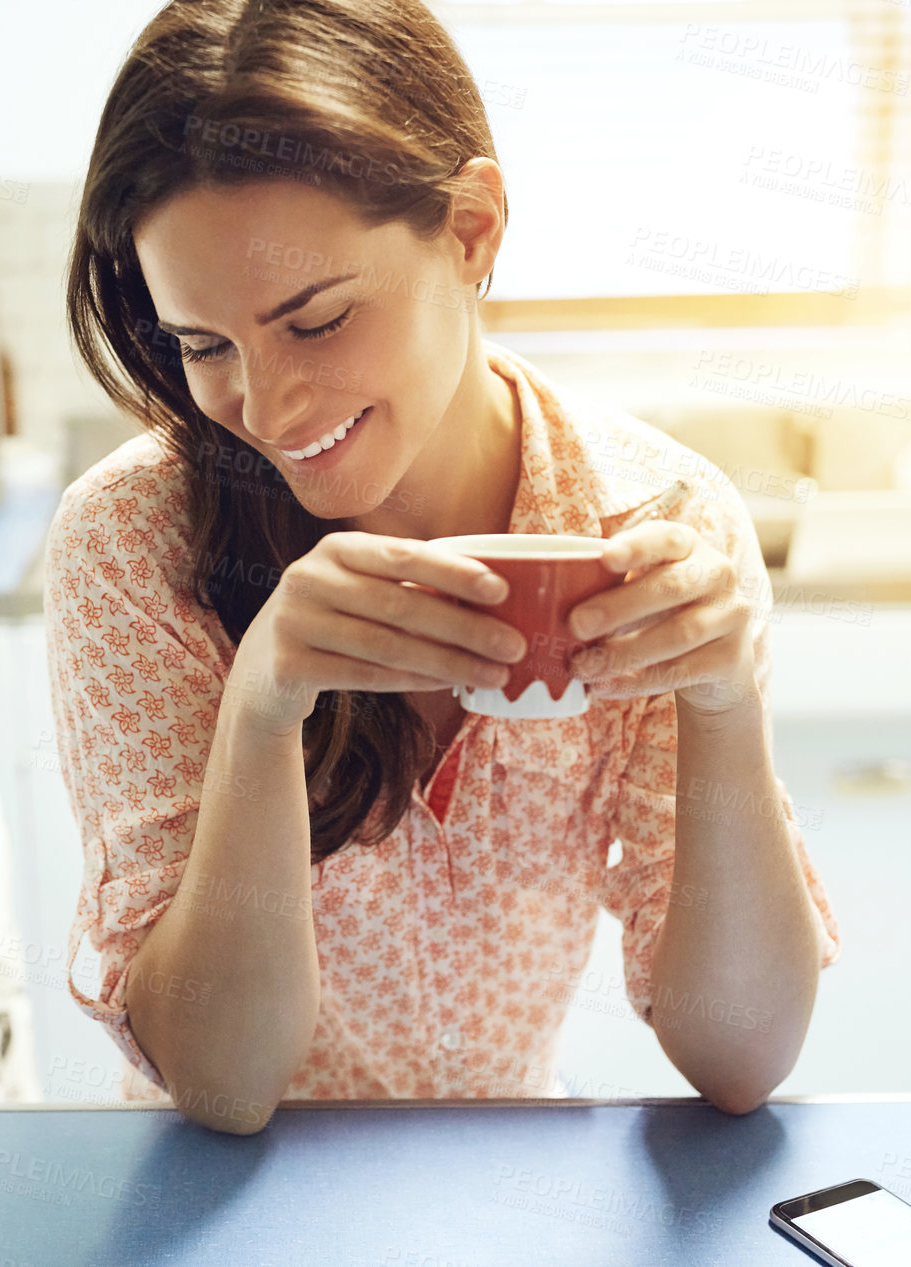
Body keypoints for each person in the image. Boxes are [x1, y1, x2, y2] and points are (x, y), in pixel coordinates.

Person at [44, 0, 841, 1135]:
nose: (265, 408)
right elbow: (221, 1084)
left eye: (313, 321)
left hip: (508, 1188)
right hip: (229, 1205)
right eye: (203, 345)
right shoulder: (130, 544)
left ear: (470, 227)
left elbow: (739, 1056)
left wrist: (722, 705)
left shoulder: (653, 521)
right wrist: (261, 704)